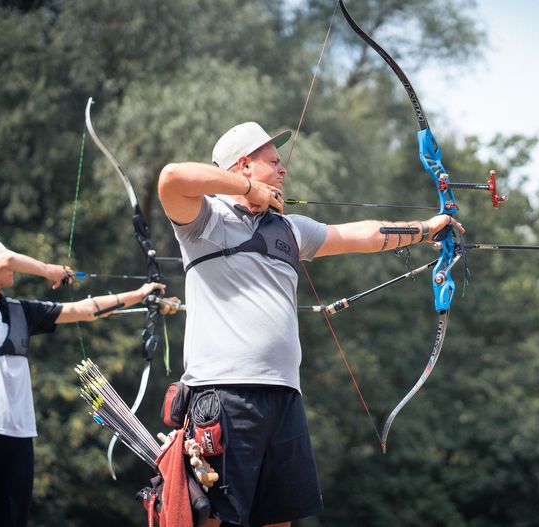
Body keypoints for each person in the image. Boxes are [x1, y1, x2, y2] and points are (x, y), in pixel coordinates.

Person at [157, 121, 464, 527]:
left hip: (284, 396)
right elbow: (172, 177)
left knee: (278, 520)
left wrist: (426, 230)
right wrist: (250, 193)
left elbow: (361, 236)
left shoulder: (289, 229)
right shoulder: (203, 222)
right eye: (273, 162)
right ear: (244, 165)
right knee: (215, 519)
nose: (283, 170)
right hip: (224, 392)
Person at [0, 236, 166, 527]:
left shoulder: (19, 311)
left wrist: (140, 294)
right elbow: (7, 260)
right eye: (1, 260)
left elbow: (83, 310)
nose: (10, 264)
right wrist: (49, 270)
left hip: (18, 438)